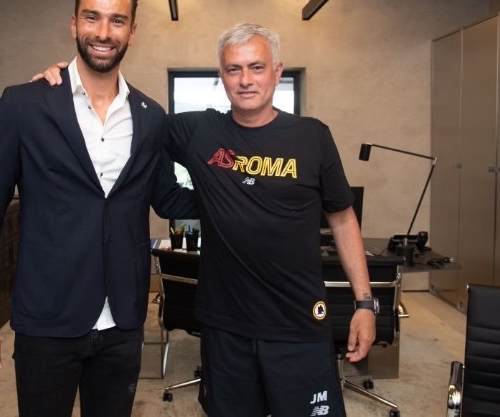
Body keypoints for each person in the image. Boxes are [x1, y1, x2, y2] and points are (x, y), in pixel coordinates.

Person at [36, 23, 375, 417]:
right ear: (222, 76)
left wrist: (365, 303)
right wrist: (69, 83)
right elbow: (130, 119)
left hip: (298, 322)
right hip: (224, 326)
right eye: (233, 69)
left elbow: (342, 219)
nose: (245, 80)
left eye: (256, 67)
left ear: (277, 72)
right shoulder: (199, 130)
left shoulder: (311, 137)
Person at [0, 0, 196, 417]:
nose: (103, 32)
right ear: (73, 24)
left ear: (132, 32)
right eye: (92, 17)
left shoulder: (151, 117)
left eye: (117, 21)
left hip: (124, 319)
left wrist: (242, 190)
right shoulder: (24, 105)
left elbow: (168, 199)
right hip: (47, 316)